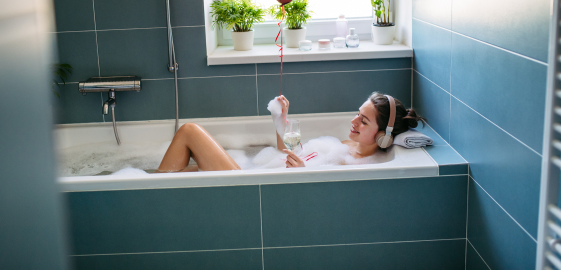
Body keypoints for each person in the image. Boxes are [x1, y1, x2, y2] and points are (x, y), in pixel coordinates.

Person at [157, 92, 425, 172]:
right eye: (358, 112)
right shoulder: (344, 146)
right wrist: (280, 120)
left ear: (383, 137)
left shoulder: (355, 165)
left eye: (364, 121)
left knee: (190, 131)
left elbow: (316, 192)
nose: (354, 121)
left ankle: (153, 195)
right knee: (180, 174)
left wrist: (300, 174)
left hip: (249, 185)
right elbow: (291, 152)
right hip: (254, 173)